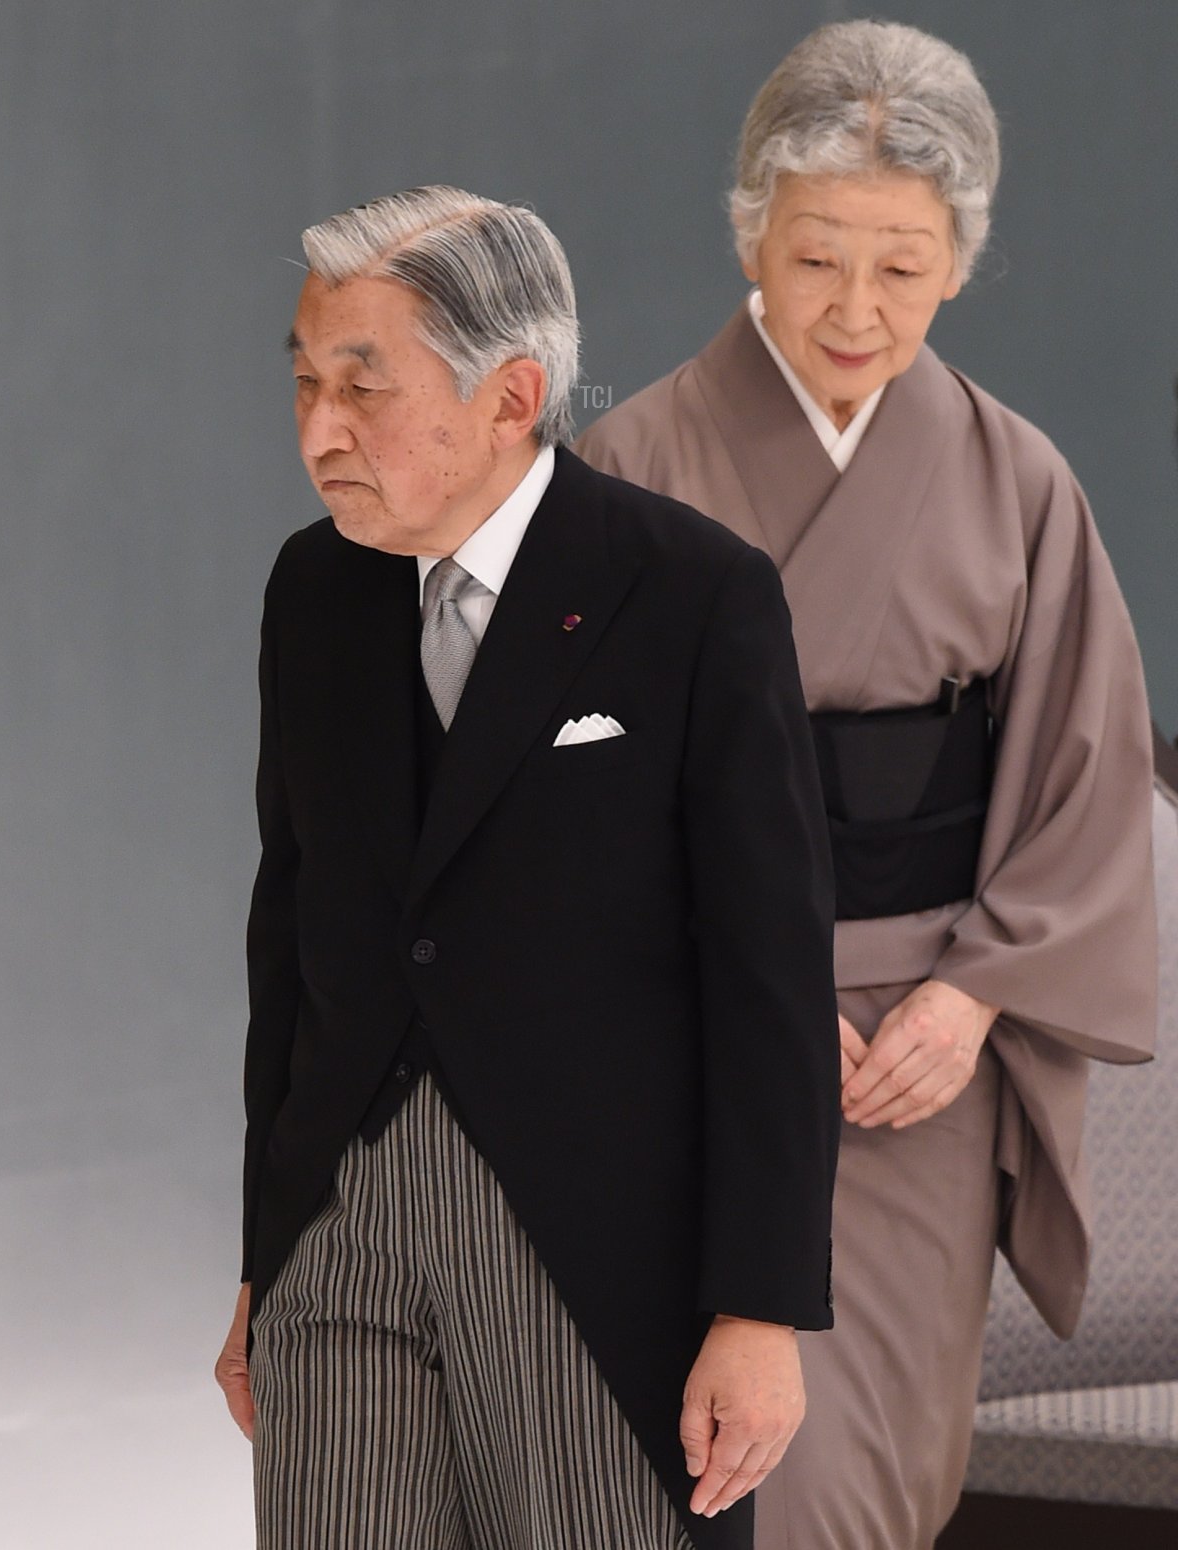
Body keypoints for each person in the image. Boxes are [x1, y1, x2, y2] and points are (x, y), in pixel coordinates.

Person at [577, 21, 1157, 1549]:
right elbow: (576, 808)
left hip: (919, 1057)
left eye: (902, 268)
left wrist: (975, 998)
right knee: (736, 1468)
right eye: (818, 256)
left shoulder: (1016, 478)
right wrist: (756, 989)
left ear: (959, 265)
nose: (854, 308)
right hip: (703, 1034)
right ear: (750, 233)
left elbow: (1088, 785)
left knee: (892, 1466)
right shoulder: (633, 470)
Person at [213, 184, 841, 1550]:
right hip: (343, 1216)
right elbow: (293, 930)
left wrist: (763, 1301)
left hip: (593, 1242)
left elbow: (771, 974)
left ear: (510, 397)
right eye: (307, 380)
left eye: (364, 388)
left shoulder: (690, 593)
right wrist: (267, 1254)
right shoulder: (310, 591)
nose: (319, 428)